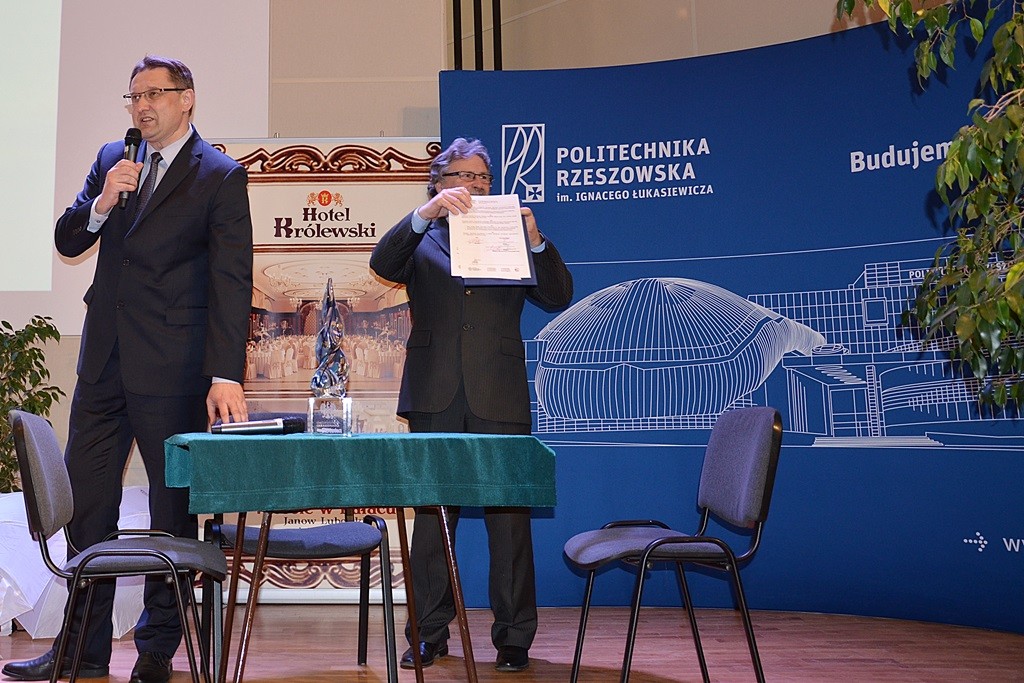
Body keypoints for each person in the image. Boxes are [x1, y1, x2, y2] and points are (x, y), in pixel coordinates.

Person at [2, 56, 252, 683]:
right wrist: (101, 201)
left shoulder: (219, 175)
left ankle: (157, 651)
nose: (142, 106)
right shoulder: (114, 157)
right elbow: (68, 240)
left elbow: (231, 280)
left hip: (175, 370)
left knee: (171, 516)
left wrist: (225, 373)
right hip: (104, 366)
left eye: (155, 94)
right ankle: (81, 650)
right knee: (88, 509)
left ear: (187, 99)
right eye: (134, 95)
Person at [369, 137, 573, 673]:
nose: (475, 184)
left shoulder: (513, 233)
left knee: (510, 521)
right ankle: (429, 633)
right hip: (434, 392)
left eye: (482, 177)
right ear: (437, 183)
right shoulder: (422, 237)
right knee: (433, 520)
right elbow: (382, 262)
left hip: (498, 391)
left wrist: (536, 241)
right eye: (463, 175)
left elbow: (558, 295)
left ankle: (513, 638)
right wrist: (425, 215)